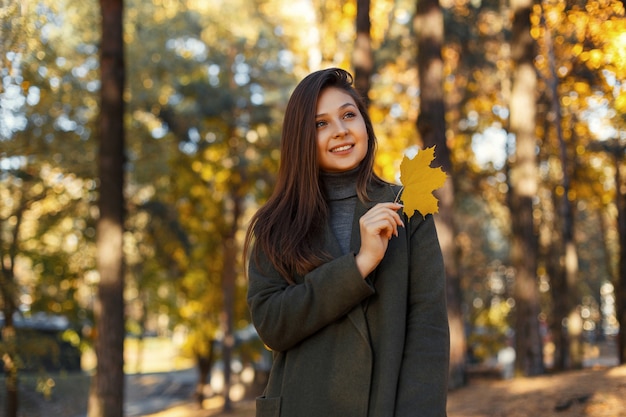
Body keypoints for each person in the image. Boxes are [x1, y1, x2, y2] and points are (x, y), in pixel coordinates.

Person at [244, 68, 449, 417]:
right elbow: (272, 324)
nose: (340, 130)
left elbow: (427, 331)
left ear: (365, 125)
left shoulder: (408, 208)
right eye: (320, 123)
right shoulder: (275, 224)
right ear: (300, 139)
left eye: (348, 115)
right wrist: (359, 265)